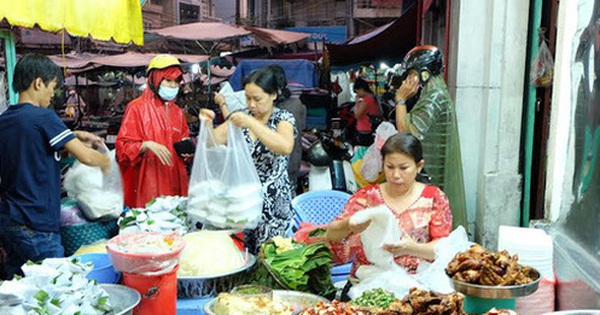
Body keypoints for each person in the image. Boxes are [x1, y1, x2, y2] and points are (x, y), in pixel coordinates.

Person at [0, 53, 110, 279]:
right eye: (52, 87)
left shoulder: (6, 120)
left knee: (20, 291)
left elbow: (33, 148)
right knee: (55, 288)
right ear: (38, 83)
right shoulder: (43, 117)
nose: (53, 94)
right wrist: (109, 162)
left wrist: (74, 135)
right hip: (37, 226)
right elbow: (88, 158)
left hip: (10, 223)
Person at [326, 133, 452, 279]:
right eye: (390, 167)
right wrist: (348, 225)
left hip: (418, 284)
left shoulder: (434, 197)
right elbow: (331, 234)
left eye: (403, 168)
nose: (396, 175)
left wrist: (411, 248)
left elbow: (443, 248)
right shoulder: (366, 197)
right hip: (367, 282)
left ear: (419, 166)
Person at [200, 66, 296, 254]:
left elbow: (285, 147)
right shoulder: (241, 117)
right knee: (241, 257)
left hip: (273, 207)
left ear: (274, 95)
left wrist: (252, 123)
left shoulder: (283, 118)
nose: (252, 105)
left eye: (257, 99)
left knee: (269, 260)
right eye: (248, 98)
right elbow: (211, 142)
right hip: (241, 204)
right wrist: (207, 123)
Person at [394, 45, 467, 229]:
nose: (408, 79)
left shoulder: (434, 96)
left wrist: (400, 99)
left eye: (411, 74)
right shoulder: (433, 93)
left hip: (432, 176)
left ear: (424, 73)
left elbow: (406, 132)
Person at [116, 54, 190, 208]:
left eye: (176, 81)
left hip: (174, 181)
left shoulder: (177, 112)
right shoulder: (136, 108)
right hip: (147, 184)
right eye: (168, 80)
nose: (173, 86)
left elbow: (184, 140)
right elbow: (122, 149)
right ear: (155, 79)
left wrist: (187, 151)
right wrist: (146, 145)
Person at [267, 64, 306, 194]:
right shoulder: (297, 105)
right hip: (292, 164)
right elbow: (302, 128)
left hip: (273, 167)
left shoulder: (268, 109)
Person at [353, 77, 382, 146]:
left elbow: (357, 115)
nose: (357, 94)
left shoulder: (366, 100)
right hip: (373, 128)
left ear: (360, 89)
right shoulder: (373, 97)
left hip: (365, 129)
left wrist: (357, 103)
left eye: (357, 92)